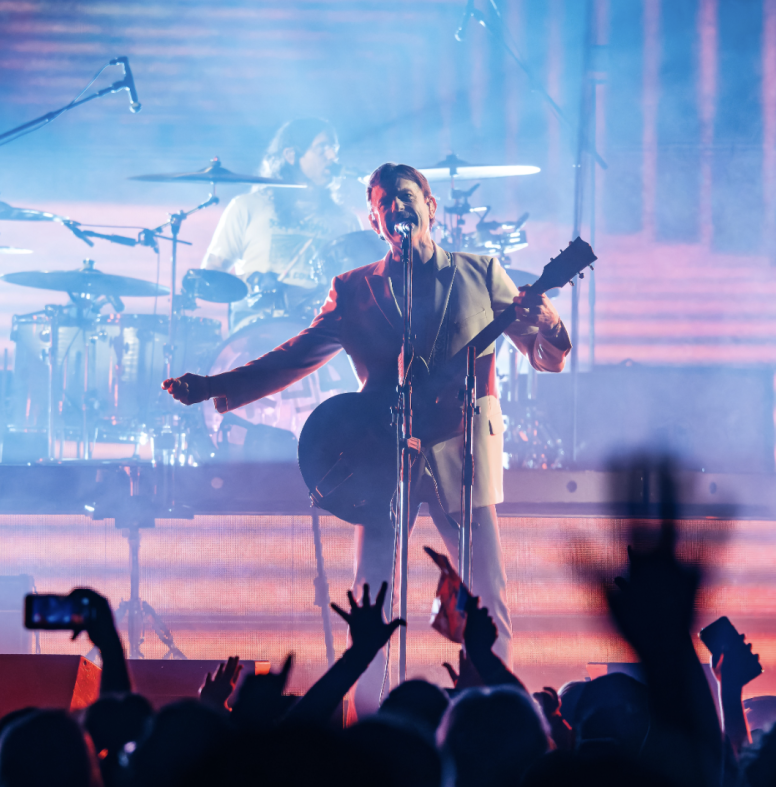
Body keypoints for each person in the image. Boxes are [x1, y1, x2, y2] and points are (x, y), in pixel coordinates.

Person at [164, 162, 571, 712]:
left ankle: (496, 721)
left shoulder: (480, 272)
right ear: (374, 220)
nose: (395, 207)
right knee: (371, 603)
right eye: (383, 201)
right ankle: (371, 729)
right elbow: (295, 356)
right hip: (381, 462)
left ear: (429, 205)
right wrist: (216, 385)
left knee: (486, 600)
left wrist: (546, 322)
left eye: (406, 196)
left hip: (462, 453)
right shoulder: (354, 289)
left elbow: (546, 356)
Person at [200, 118, 361, 332]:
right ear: (291, 155)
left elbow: (358, 290)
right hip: (256, 332)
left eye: (334, 149)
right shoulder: (248, 206)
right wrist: (251, 281)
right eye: (322, 148)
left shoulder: (345, 220)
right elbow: (212, 273)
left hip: (318, 337)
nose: (332, 156)